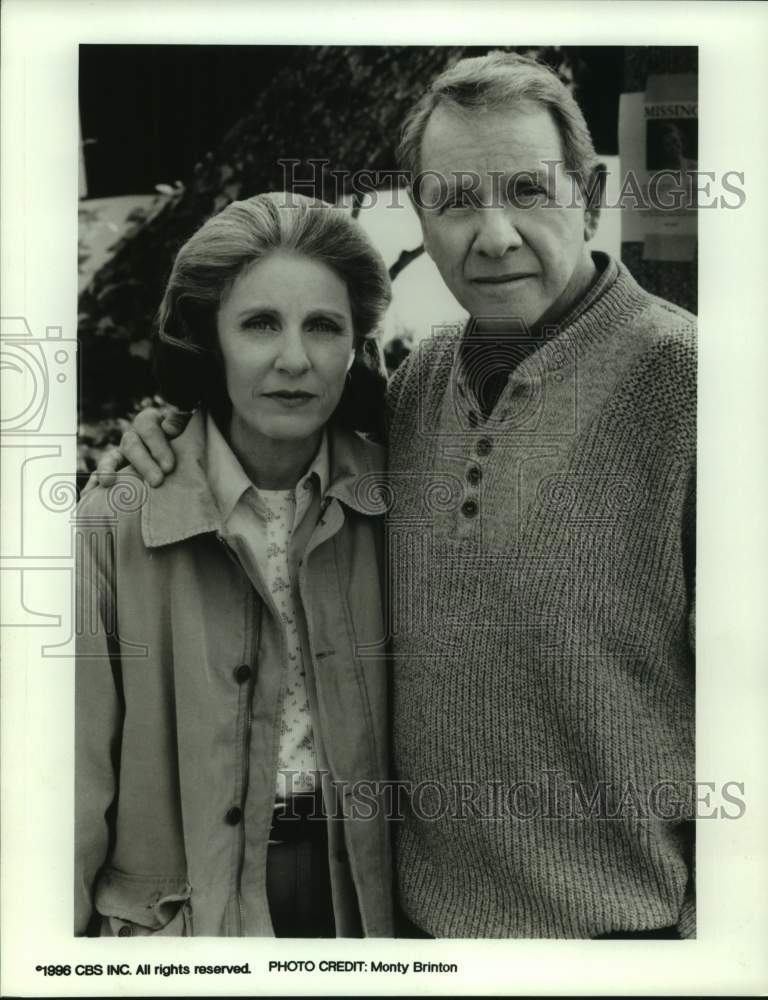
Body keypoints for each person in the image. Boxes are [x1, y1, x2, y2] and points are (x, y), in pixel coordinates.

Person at [93, 52, 696, 939]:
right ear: (421, 214)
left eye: (527, 189)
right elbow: (287, 400)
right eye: (454, 199)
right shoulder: (418, 387)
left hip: (621, 939)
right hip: (404, 930)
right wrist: (175, 421)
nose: (492, 235)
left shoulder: (697, 387)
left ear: (592, 194)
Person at [75, 192, 394, 937]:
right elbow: (68, 786)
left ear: (355, 345)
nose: (294, 359)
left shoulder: (400, 506)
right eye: (258, 324)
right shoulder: (116, 520)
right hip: (184, 921)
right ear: (209, 341)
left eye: (324, 326)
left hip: (366, 905)